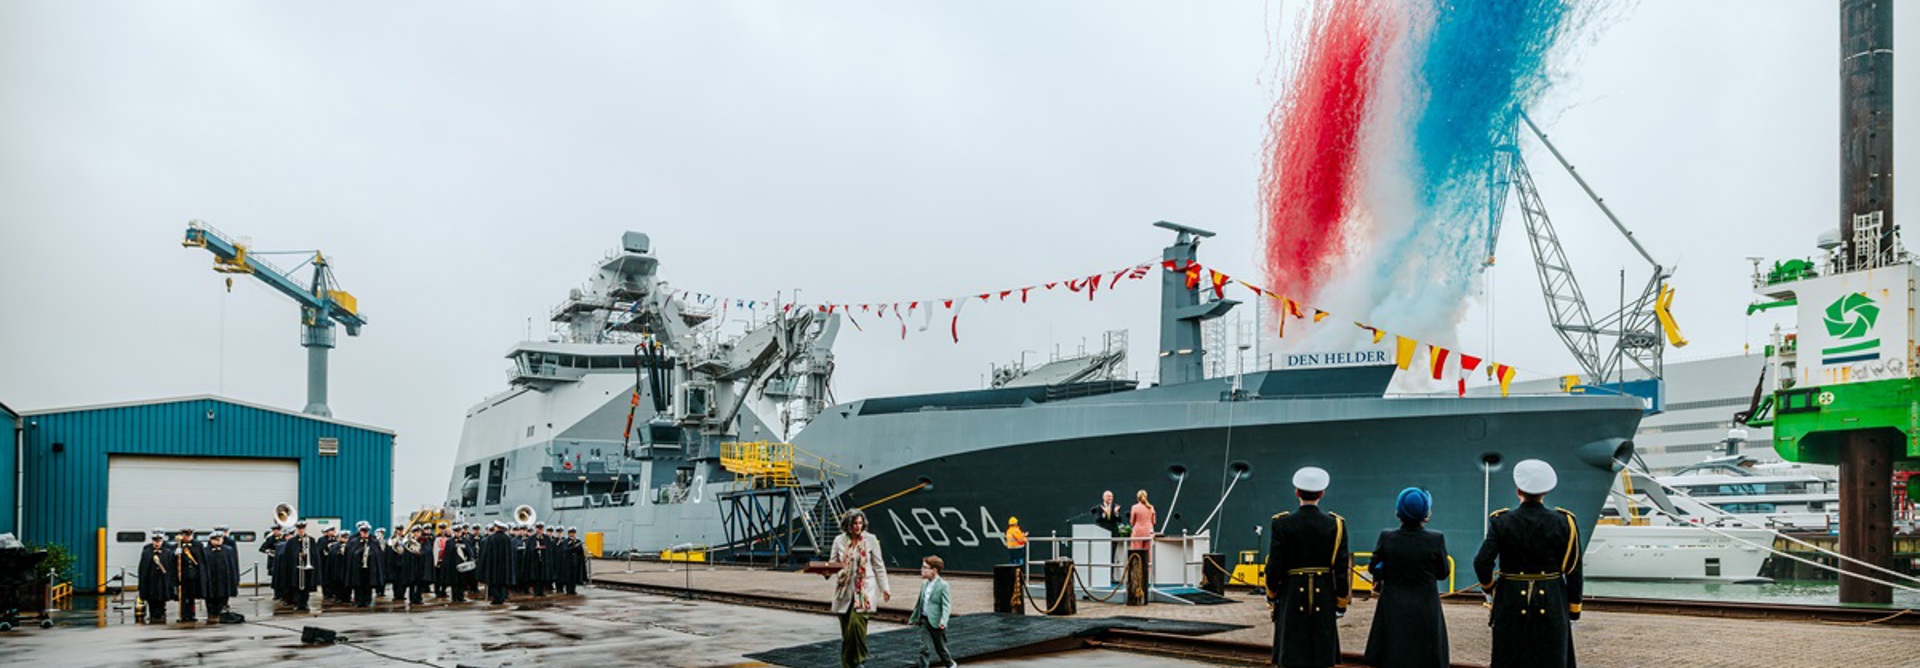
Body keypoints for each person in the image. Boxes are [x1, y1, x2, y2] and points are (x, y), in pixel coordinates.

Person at [1474, 459, 1584, 668]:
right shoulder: (1565, 521)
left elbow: (1481, 562)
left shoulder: (1501, 521)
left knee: (1510, 658)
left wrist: (1491, 589)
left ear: (1518, 490)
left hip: (1510, 600)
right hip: (1551, 600)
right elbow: (1573, 569)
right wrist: (1573, 610)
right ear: (1545, 492)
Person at [1266, 466, 1350, 668]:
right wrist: (1340, 602)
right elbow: (1341, 568)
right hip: (1325, 595)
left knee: (1292, 654)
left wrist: (1272, 594)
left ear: (1297, 492)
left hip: (1292, 594)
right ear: (1322, 493)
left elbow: (1274, 566)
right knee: (1322, 655)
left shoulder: (1281, 524)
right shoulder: (1336, 524)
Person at [1363, 488, 1449, 668]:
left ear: (1398, 512)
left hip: (1393, 606)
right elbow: (1443, 573)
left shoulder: (1387, 537)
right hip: (1425, 608)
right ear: (1426, 514)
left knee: (1393, 653)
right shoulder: (1436, 539)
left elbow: (1373, 566)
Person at [826, 509, 890, 668]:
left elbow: (878, 566)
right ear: (848, 524)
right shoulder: (839, 540)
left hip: (865, 590)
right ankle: (848, 665)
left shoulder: (871, 539)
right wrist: (826, 572)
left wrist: (885, 588)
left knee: (856, 625)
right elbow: (833, 563)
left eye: (860, 523)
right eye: (854, 523)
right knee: (847, 634)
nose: (858, 526)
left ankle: (859, 660)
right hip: (844, 590)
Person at [910, 555, 956, 668]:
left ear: (934, 571)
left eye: (925, 567)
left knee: (941, 648)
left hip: (937, 623)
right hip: (925, 621)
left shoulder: (943, 585)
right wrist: (914, 618)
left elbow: (946, 605)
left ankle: (950, 664)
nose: (922, 570)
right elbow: (919, 603)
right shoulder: (924, 584)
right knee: (924, 648)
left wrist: (943, 621)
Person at [275, 520, 318, 612]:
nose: (301, 531)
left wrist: (307, 557)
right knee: (296, 586)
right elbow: (288, 556)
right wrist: (298, 555)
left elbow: (314, 554)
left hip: (307, 569)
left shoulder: (311, 540)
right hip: (295, 569)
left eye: (302, 529)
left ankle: (305, 603)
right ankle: (298, 603)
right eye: (299, 529)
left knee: (306, 587)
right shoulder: (291, 541)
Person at [348, 521, 388, 607]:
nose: (365, 533)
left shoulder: (373, 541)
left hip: (370, 567)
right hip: (358, 567)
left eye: (367, 531)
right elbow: (351, 554)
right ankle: (358, 601)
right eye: (363, 531)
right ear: (360, 531)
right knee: (358, 585)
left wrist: (370, 554)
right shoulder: (354, 541)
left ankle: (367, 600)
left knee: (368, 585)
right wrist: (360, 552)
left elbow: (378, 553)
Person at [136, 528, 173, 624]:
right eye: (155, 541)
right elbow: (143, 569)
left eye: (159, 541)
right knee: (151, 600)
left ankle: (161, 615)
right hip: (151, 581)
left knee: (161, 600)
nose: (157, 543)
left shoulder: (167, 552)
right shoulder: (147, 552)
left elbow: (170, 568)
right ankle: (153, 616)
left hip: (162, 581)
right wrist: (142, 583)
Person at [203, 530, 239, 622]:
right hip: (211, 579)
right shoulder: (205, 551)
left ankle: (221, 611)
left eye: (220, 539)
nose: (218, 541)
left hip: (224, 579)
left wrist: (234, 578)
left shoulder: (228, 550)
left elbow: (232, 565)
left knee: (223, 596)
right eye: (216, 539)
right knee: (211, 597)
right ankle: (211, 612)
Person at [480, 521, 516, 605]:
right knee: (503, 583)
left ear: (497, 527)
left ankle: (496, 599)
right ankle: (502, 598)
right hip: (504, 566)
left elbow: (487, 553)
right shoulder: (507, 539)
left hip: (494, 566)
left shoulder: (491, 538)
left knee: (494, 583)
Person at [174, 527, 205, 623]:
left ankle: (191, 614)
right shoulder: (178, 545)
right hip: (182, 576)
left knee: (191, 596)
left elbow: (201, 560)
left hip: (193, 575)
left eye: (189, 535)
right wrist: (175, 554)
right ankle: (183, 614)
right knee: (183, 597)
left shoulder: (197, 545)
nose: (187, 537)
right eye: (185, 535)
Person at [260, 525, 284, 604]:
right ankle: (276, 594)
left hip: (282, 561)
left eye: (277, 530)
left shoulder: (283, 538)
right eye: (274, 530)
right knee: (275, 578)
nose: (275, 531)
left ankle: (282, 594)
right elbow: (262, 548)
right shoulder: (270, 539)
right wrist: (268, 551)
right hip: (273, 560)